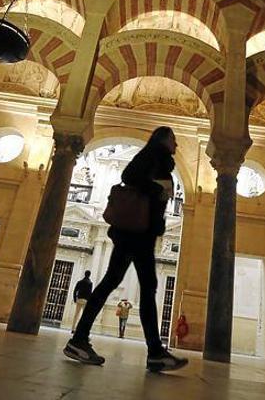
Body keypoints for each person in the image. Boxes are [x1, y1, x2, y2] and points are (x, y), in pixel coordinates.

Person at [65, 126, 188, 373]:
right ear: (163, 139)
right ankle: (153, 351)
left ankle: (81, 339)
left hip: (138, 232)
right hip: (136, 233)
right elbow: (130, 176)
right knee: (143, 287)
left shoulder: (158, 159)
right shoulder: (152, 156)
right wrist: (157, 190)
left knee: (118, 283)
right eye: (174, 139)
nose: (176, 145)